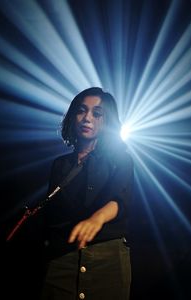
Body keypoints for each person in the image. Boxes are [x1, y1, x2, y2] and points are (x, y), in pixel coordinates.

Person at [40, 87, 134, 300]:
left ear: (106, 120)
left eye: (97, 113)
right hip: (62, 258)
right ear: (73, 116)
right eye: (82, 111)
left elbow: (120, 199)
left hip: (107, 259)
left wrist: (96, 219)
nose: (87, 118)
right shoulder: (60, 165)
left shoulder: (121, 159)